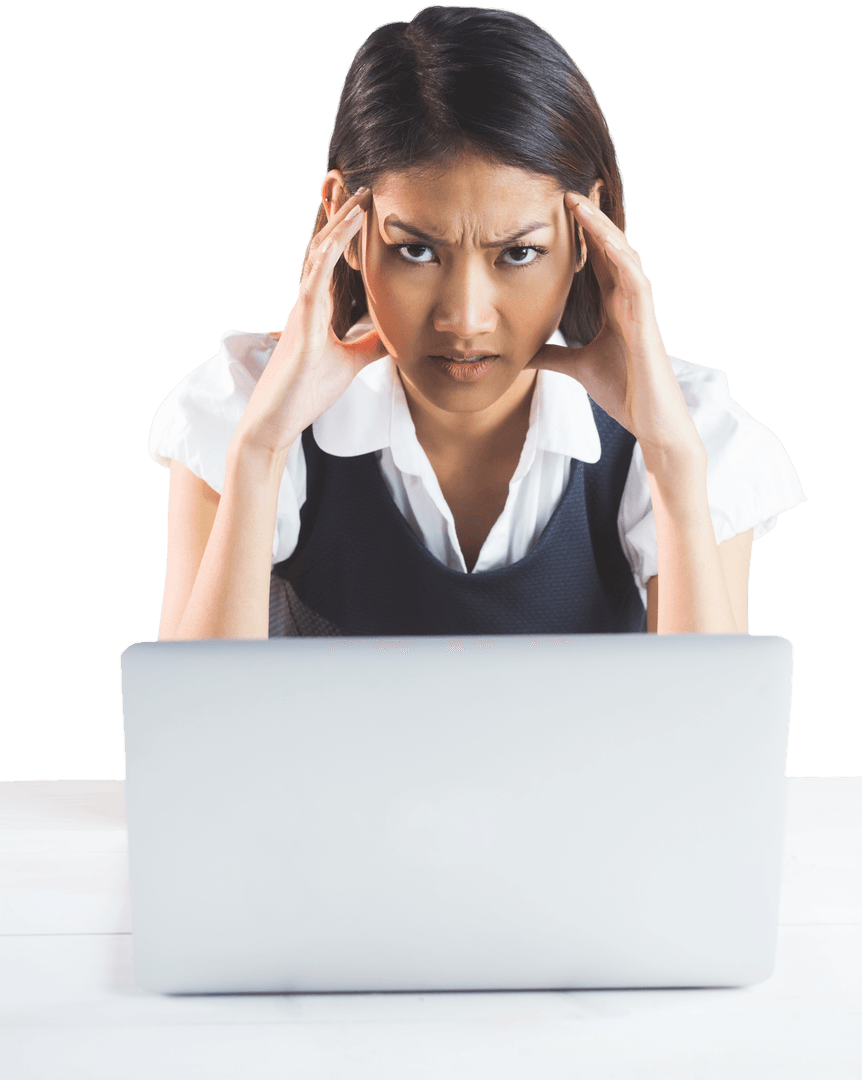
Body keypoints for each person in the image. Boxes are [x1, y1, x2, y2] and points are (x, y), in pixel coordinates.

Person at [149, 5, 805, 641]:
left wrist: (672, 460)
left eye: (518, 253)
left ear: (585, 235)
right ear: (344, 220)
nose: (464, 318)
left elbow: (710, 747)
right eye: (416, 250)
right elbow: (186, 744)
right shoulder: (243, 408)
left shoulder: (690, 429)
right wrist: (261, 449)